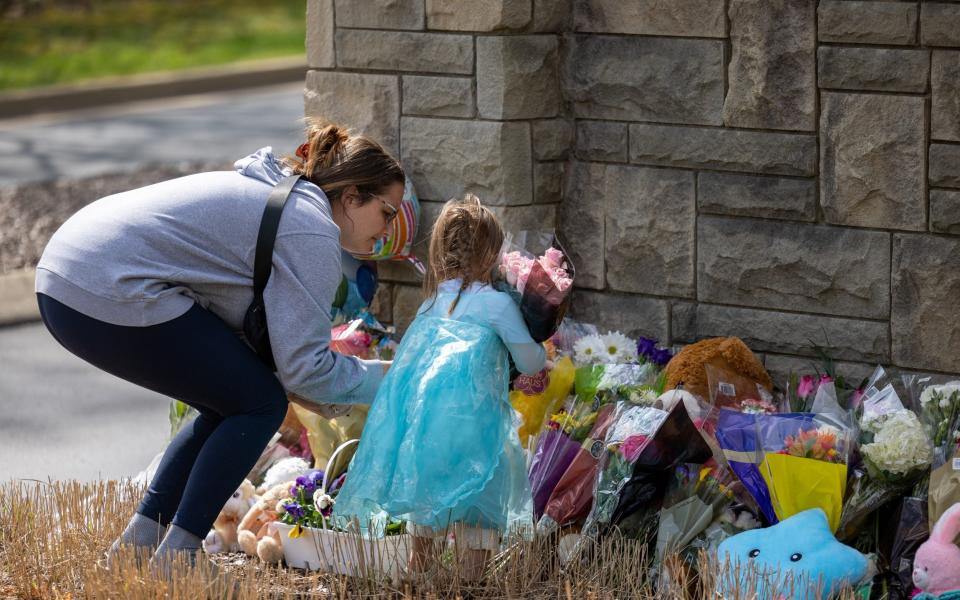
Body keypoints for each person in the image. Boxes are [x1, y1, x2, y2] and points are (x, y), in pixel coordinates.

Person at [34, 118, 403, 567]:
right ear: (351, 197)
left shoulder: (287, 199)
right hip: (105, 284)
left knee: (234, 397)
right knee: (258, 403)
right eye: (387, 212)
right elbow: (305, 371)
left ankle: (137, 548)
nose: (387, 230)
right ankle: (179, 559)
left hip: (66, 273)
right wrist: (401, 379)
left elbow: (281, 362)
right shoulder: (311, 229)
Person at [333, 195, 546, 580]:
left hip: (427, 426)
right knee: (479, 503)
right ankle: (470, 580)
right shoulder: (496, 304)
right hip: (475, 426)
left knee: (428, 501)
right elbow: (530, 361)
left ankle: (420, 573)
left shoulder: (432, 302)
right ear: (490, 256)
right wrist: (538, 338)